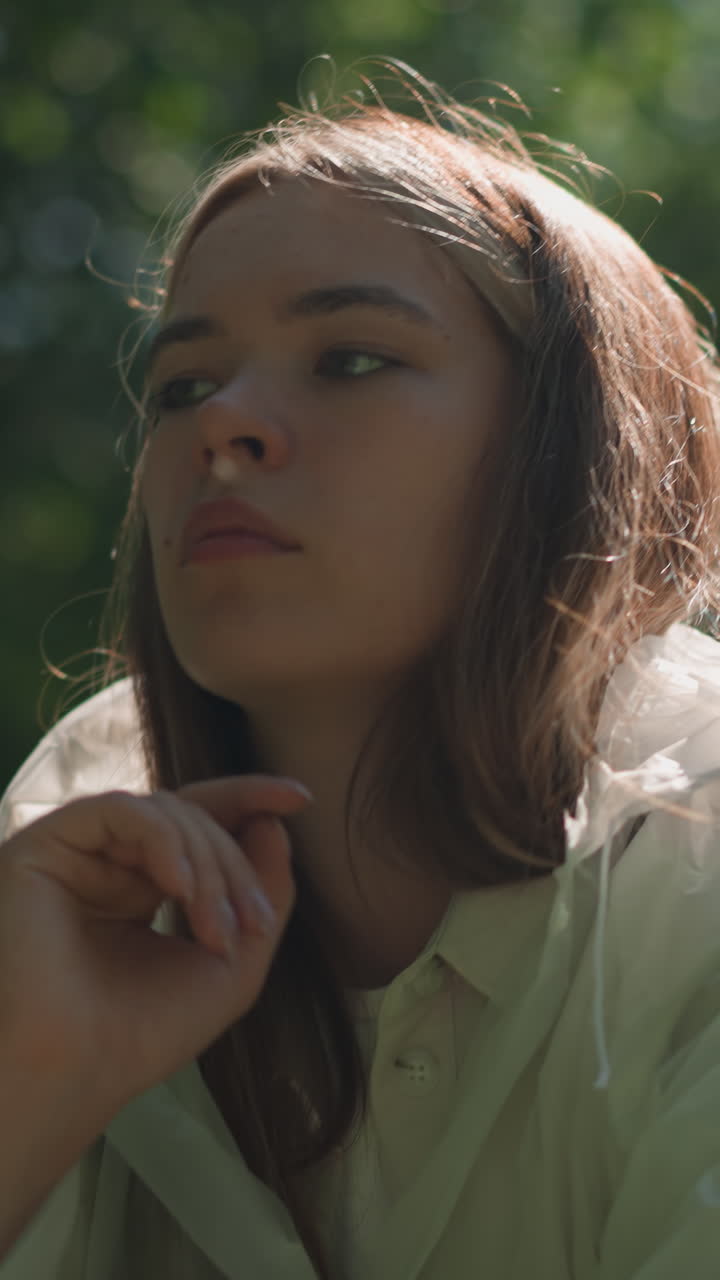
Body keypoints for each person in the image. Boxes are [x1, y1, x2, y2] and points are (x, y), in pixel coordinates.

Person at [2, 58, 720, 1280]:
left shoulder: (695, 875)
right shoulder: (66, 874)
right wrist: (29, 1085)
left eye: (351, 358)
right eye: (182, 384)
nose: (224, 424)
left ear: (571, 452)